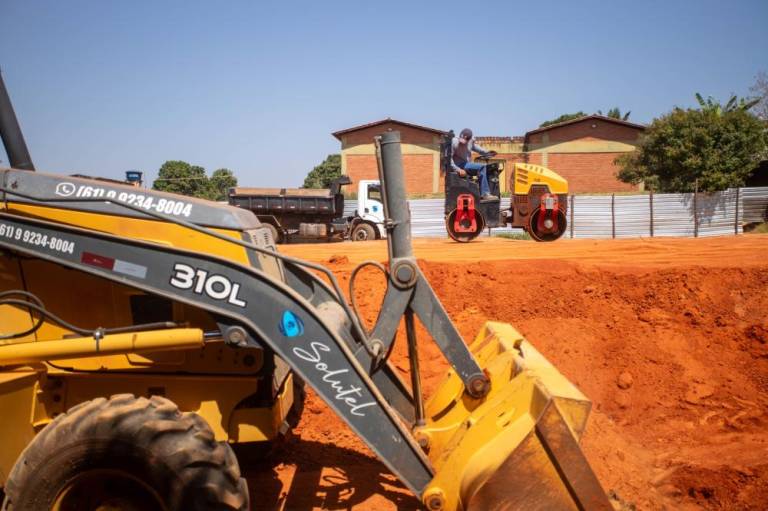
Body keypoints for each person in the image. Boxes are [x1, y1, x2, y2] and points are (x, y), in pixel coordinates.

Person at [450, 128, 498, 201]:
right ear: (460, 136)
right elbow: (449, 159)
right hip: (458, 165)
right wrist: (458, 170)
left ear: (469, 139)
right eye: (461, 140)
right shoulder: (454, 142)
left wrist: (487, 152)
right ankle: (485, 194)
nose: (463, 143)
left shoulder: (471, 141)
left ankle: (481, 191)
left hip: (466, 164)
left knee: (485, 168)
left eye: (465, 141)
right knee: (481, 167)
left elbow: (476, 148)